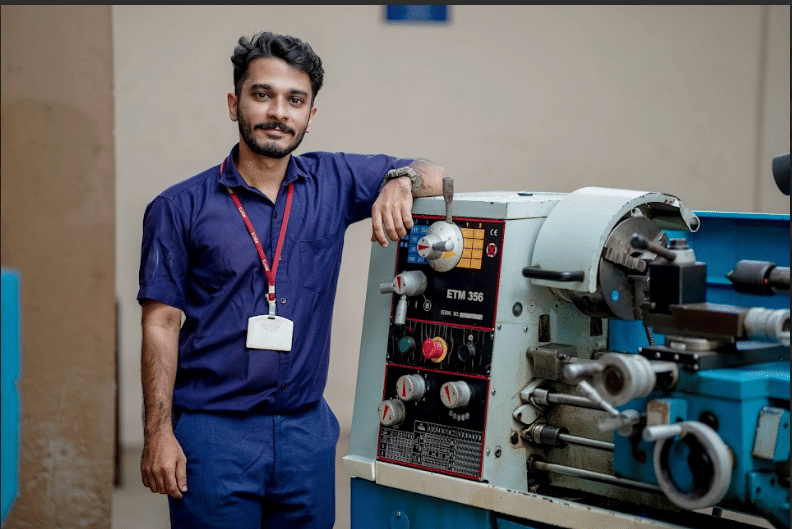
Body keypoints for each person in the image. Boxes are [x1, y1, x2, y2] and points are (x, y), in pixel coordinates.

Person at [137, 30, 446, 528]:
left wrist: (400, 182)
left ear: (310, 115)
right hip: (215, 433)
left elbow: (434, 173)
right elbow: (160, 324)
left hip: (306, 431)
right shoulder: (179, 208)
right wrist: (158, 433)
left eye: (294, 100)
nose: (278, 112)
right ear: (234, 103)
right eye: (263, 95)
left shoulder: (335, 181)